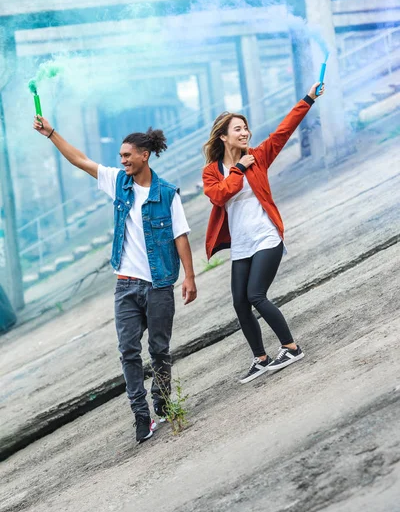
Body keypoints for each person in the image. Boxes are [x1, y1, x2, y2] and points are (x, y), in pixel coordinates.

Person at [33, 118, 197, 443]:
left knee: (160, 351)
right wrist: (52, 133)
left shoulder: (167, 195)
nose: (122, 161)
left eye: (127, 155)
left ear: (145, 155)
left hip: (160, 285)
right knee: (128, 351)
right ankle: (141, 417)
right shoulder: (118, 182)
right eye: (120, 156)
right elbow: (80, 160)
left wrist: (189, 277)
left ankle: (162, 404)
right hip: (125, 285)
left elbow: (180, 237)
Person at [202, 82, 324, 384]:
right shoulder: (212, 171)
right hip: (242, 244)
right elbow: (219, 196)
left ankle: (291, 348)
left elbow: (283, 131)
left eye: (246, 128)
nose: (245, 133)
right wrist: (238, 170)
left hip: (267, 236)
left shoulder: (258, 156)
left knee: (256, 294)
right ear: (223, 136)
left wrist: (308, 99)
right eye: (238, 129)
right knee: (239, 303)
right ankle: (260, 359)